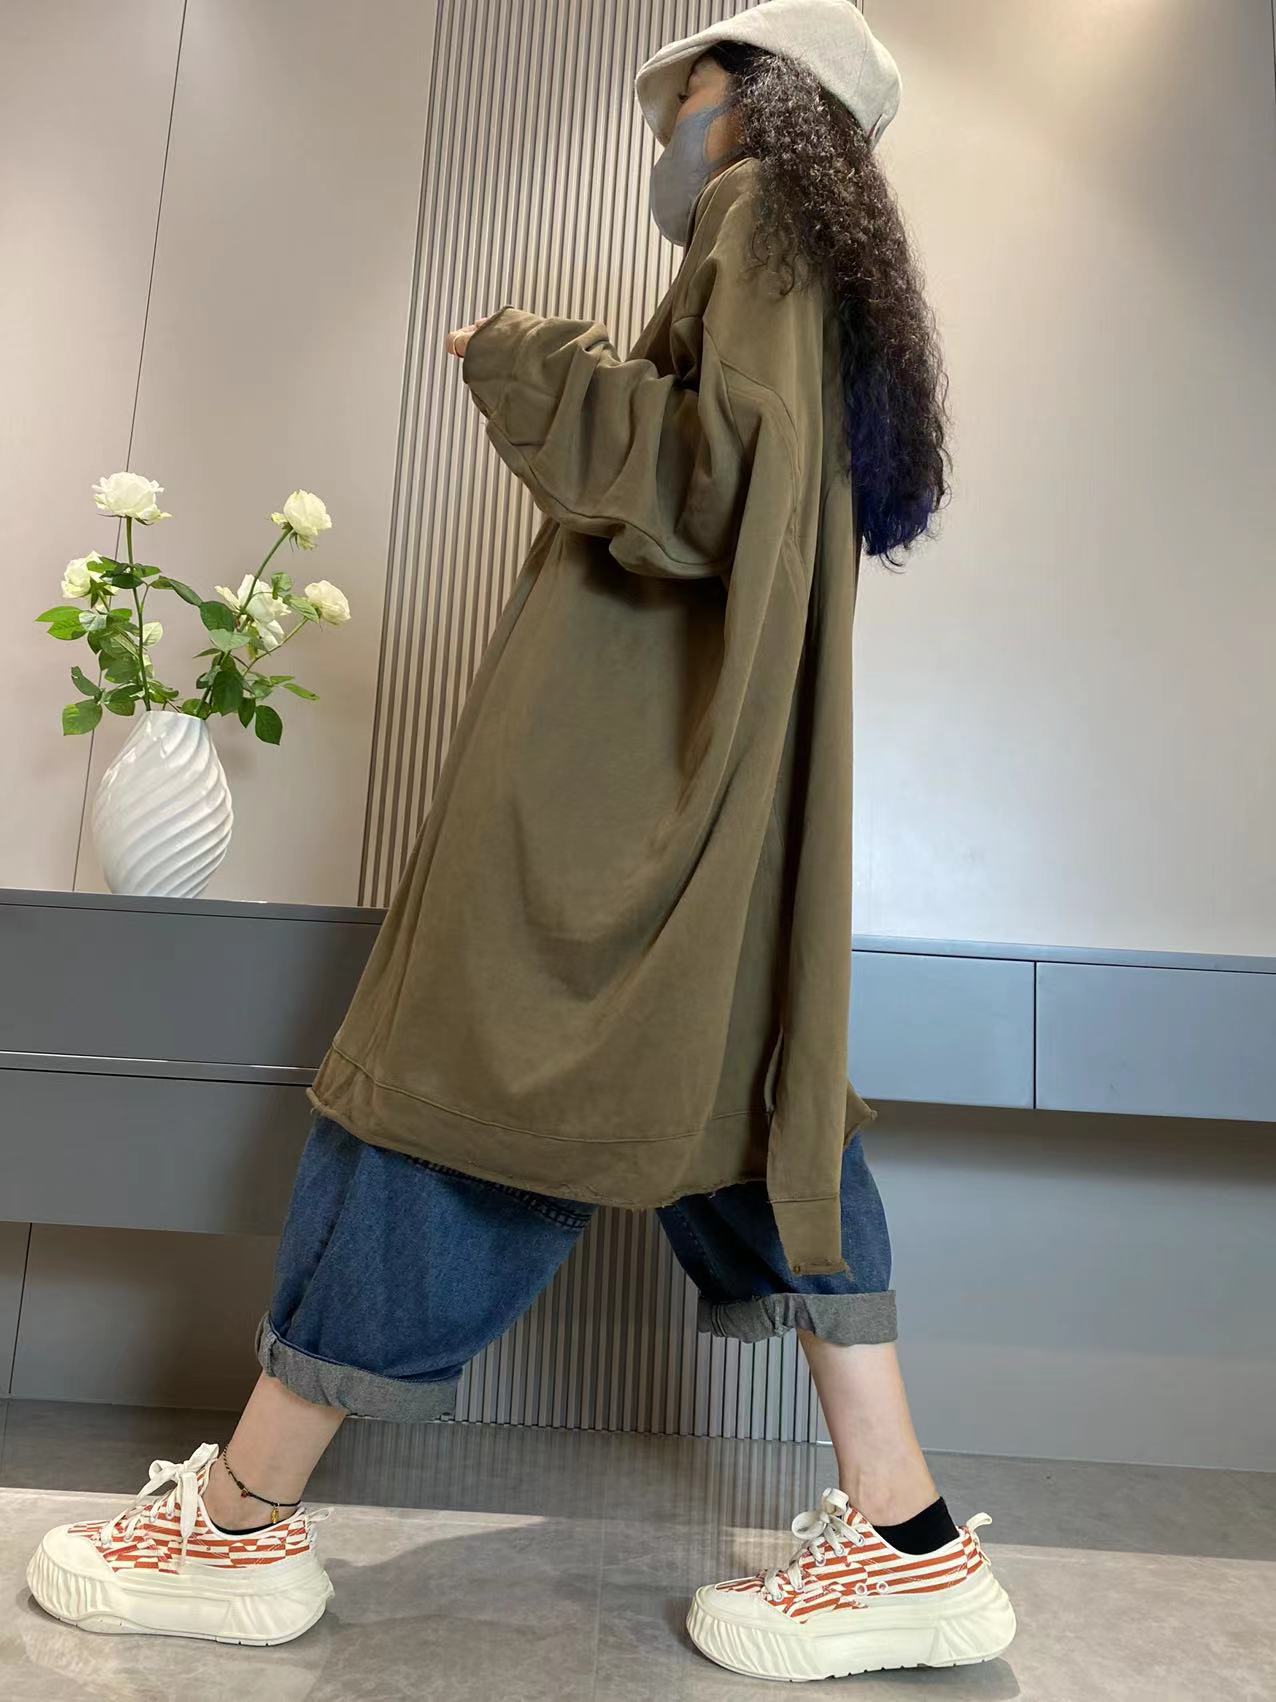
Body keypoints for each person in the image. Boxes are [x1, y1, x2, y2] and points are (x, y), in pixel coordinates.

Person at [26, 0, 1016, 1682]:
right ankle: (909, 1535)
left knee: (455, 1086)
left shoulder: (763, 219)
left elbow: (712, 481)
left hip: (621, 813)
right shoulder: (810, 263)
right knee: (760, 1117)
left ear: (754, 104)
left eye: (682, 98)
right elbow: (748, 492)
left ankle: (242, 1520)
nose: (665, 134)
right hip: (709, 811)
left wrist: (529, 358)